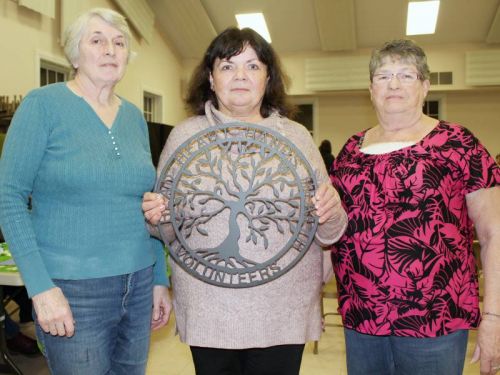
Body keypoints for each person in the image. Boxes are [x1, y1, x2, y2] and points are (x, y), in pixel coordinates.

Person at [142, 27, 347, 375]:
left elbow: (331, 232)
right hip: (210, 311)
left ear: (268, 78)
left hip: (283, 311)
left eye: (252, 66)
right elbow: (168, 232)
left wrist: (331, 211)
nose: (240, 76)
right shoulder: (184, 137)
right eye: (227, 66)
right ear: (210, 77)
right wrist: (157, 217)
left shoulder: (296, 138)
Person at [0, 8, 171, 375]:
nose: (110, 49)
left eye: (119, 43)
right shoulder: (42, 106)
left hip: (139, 282)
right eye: (97, 40)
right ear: (75, 54)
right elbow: (8, 197)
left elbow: (148, 204)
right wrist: (40, 287)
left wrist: (159, 279)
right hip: (73, 290)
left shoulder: (134, 120)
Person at [330, 39, 500, 375]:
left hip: (435, 321)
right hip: (362, 320)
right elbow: (332, 230)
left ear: (425, 86)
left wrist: (494, 316)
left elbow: (494, 234)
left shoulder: (459, 143)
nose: (393, 84)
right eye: (383, 76)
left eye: (406, 75)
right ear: (370, 88)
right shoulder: (350, 150)